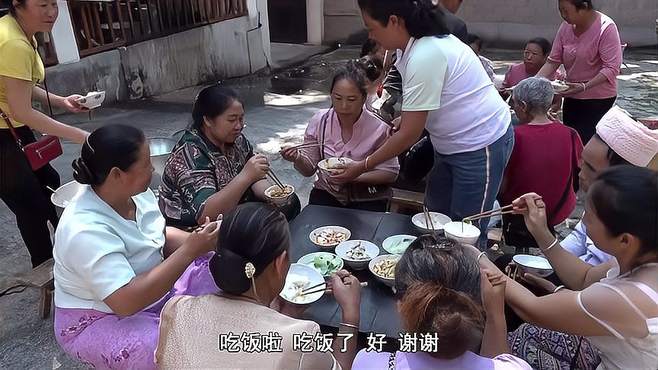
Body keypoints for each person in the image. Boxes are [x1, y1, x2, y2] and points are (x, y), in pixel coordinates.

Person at [344, 0, 513, 246]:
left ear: (394, 21)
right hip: (448, 144)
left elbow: (410, 134)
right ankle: (432, 276)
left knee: (465, 232)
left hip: (481, 143)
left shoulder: (426, 53)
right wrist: (409, 116)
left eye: (371, 28)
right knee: (433, 218)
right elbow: (433, 99)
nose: (371, 35)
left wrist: (362, 166)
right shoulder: (408, 48)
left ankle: (468, 282)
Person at [52, 125, 220, 370]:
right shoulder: (83, 229)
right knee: (154, 348)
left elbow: (158, 237)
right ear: (117, 174)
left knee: (217, 269)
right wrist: (189, 251)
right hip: (100, 316)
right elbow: (126, 302)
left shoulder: (136, 194)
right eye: (146, 164)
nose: (152, 169)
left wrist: (208, 242)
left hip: (151, 292)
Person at [476, 165, 658, 369]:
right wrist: (540, 229)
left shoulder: (630, 298)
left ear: (625, 240)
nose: (583, 220)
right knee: (527, 333)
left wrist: (478, 257)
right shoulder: (643, 257)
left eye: (589, 216)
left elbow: (532, 310)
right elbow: (585, 278)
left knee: (501, 340)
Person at [156, 202, 362, 370]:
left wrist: (287, 315)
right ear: (280, 263)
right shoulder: (301, 338)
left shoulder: (177, 309)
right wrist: (350, 313)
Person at [352, 235, 531, 369]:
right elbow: (497, 362)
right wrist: (495, 314)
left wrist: (350, 315)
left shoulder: (368, 363)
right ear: (477, 306)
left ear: (402, 307)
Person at [0, 0, 89, 267]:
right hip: (5, 134)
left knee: (49, 182)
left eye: (54, 3)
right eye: (42, 5)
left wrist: (62, 101)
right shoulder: (13, 43)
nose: (51, 12)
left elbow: (17, 85)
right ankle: (46, 269)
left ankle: (69, 257)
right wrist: (81, 136)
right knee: (31, 207)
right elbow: (23, 110)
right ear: (18, 4)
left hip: (12, 127)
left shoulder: (19, 30)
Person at [159, 85, 300, 228]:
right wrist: (246, 176)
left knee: (289, 203)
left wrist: (271, 195)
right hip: (196, 227)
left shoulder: (237, 140)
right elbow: (206, 216)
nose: (239, 126)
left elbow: (256, 180)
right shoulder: (190, 153)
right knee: (258, 226)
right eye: (232, 120)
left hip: (234, 208)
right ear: (207, 120)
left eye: (241, 118)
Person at [281, 61, 399, 212]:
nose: (343, 106)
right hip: (326, 193)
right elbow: (308, 170)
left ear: (363, 99)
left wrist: (354, 175)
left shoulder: (379, 128)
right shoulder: (320, 121)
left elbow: (391, 173)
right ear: (331, 96)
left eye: (351, 99)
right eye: (337, 98)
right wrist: (296, 158)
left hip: (367, 196)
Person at [562, 106, 658, 266]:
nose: (580, 169)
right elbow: (579, 237)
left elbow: (586, 278)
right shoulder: (600, 199)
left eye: (591, 168)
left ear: (621, 178)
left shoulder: (630, 226)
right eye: (582, 160)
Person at [499, 77, 583, 250]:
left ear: (523, 106)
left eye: (514, 104)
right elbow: (577, 173)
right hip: (559, 208)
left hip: (519, 209)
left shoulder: (515, 136)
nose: (513, 109)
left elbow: (503, 183)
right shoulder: (570, 133)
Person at [537, 0, 622, 145]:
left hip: (599, 98)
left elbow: (612, 68)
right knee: (572, 138)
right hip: (571, 93)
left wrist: (584, 86)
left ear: (583, 7)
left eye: (566, 11)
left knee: (587, 141)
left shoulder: (606, 27)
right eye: (560, 10)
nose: (563, 15)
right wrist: (531, 82)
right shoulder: (565, 27)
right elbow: (553, 61)